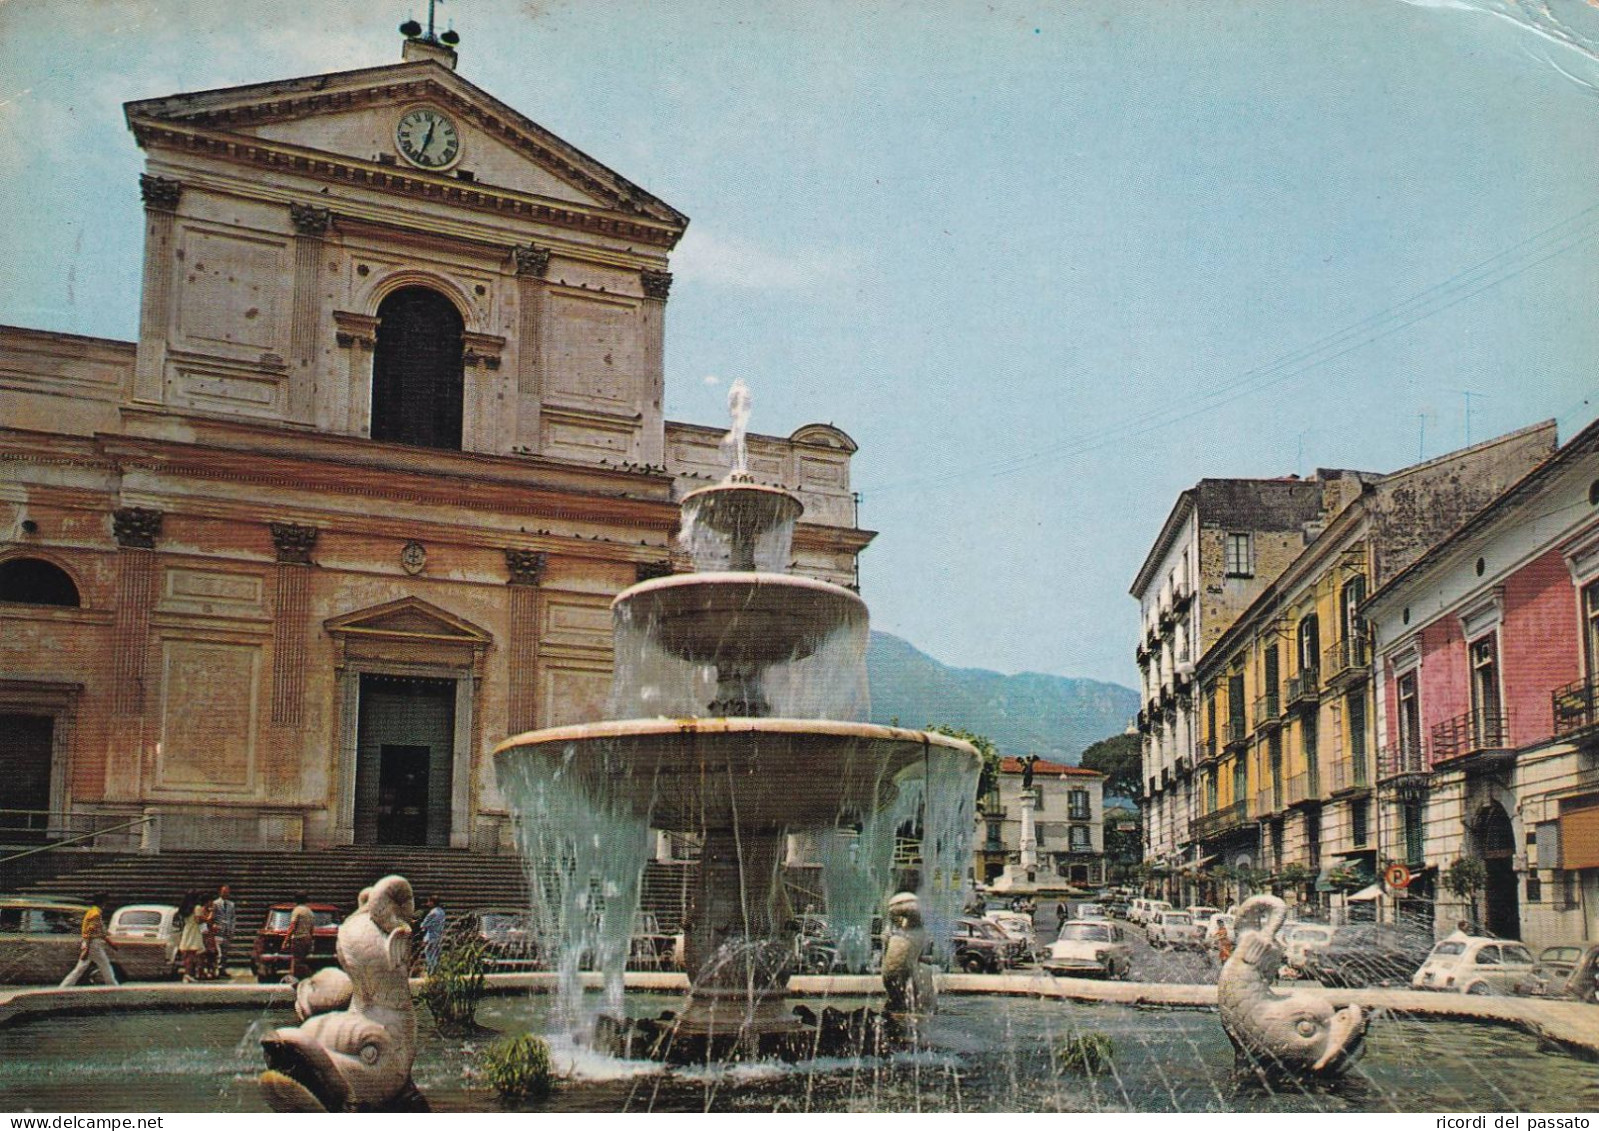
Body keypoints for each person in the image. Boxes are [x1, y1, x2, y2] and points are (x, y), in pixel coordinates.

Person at [59, 892, 119, 987]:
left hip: (90, 943)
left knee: (81, 968)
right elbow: (91, 930)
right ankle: (113, 985)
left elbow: (95, 931)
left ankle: (64, 986)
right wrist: (87, 947)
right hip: (93, 944)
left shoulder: (92, 912)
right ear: (103, 902)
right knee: (105, 965)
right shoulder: (95, 914)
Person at [282, 892, 316, 983]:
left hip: (299, 938)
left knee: (297, 961)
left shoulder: (297, 910)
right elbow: (312, 928)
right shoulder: (309, 911)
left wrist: (286, 941)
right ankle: (296, 979)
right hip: (307, 938)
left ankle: (310, 977)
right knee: (301, 960)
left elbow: (292, 926)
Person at [176, 891, 207, 981]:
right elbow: (198, 921)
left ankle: (187, 973)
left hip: (187, 930)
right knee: (192, 954)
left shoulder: (185, 909)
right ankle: (189, 974)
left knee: (187, 954)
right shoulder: (197, 908)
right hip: (194, 931)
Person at [211, 884, 236, 978]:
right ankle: (216, 969)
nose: (225, 893)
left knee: (225, 952)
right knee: (218, 953)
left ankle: (222, 969)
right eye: (224, 891)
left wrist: (232, 930)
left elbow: (233, 918)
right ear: (220, 892)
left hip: (227, 931)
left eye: (227, 891)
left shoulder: (231, 904)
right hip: (218, 931)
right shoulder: (215, 903)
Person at [420, 895, 447, 974]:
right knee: (435, 954)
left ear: (432, 902)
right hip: (438, 935)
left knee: (429, 954)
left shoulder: (432, 912)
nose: (427, 903)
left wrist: (421, 924)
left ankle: (431, 972)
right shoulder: (442, 912)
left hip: (431, 936)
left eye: (429, 901)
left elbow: (423, 925)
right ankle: (435, 971)